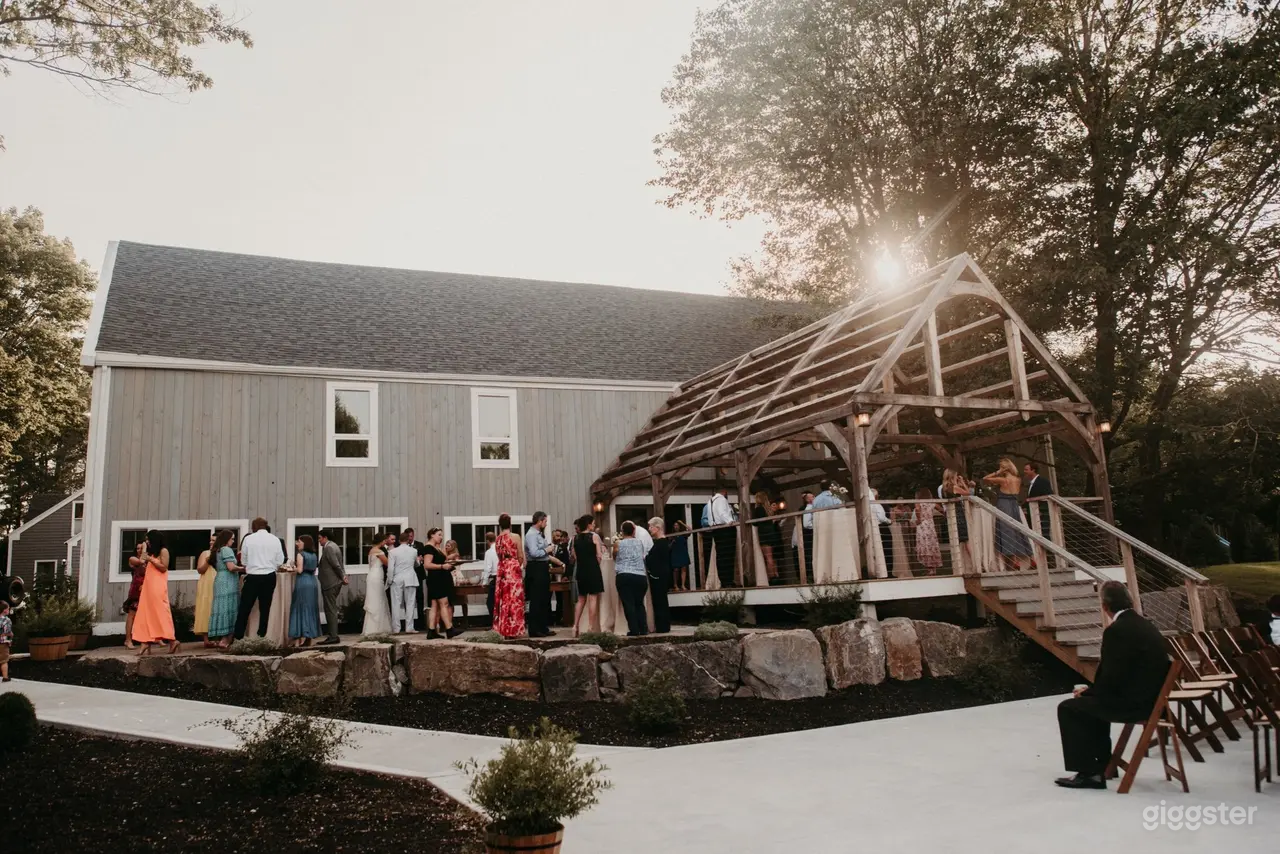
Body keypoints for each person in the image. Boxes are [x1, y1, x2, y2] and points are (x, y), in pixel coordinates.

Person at [1055, 581, 1171, 789]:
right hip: (1152, 701)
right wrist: (1092, 693)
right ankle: (1104, 765)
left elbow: (1111, 677)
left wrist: (1087, 692)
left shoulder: (1117, 631)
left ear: (1105, 606)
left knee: (1069, 708)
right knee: (1093, 704)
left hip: (1136, 705)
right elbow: (1118, 675)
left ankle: (1089, 772)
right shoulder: (1145, 624)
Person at [234, 517, 286, 640]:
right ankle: (261, 636)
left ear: (254, 527)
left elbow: (244, 560)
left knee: (245, 607)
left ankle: (238, 636)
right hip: (269, 575)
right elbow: (280, 560)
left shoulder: (248, 539)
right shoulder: (275, 539)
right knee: (265, 607)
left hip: (253, 576)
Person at [133, 529, 180, 655]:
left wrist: (150, 559)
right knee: (145, 613)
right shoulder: (151, 553)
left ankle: (172, 640)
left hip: (158, 586)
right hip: (149, 586)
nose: (147, 542)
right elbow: (142, 564)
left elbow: (164, 567)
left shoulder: (163, 551)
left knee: (160, 612)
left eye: (148, 539)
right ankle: (144, 642)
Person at [983, 458, 1032, 571]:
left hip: (1004, 504)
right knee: (1017, 530)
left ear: (1004, 468)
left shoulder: (1002, 480)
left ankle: (1013, 560)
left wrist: (998, 472)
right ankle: (1030, 556)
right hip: (1014, 504)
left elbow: (985, 479)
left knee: (1005, 530)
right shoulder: (1018, 479)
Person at [422, 528, 462, 639]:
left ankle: (431, 630)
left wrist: (450, 561)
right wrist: (442, 566)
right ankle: (449, 629)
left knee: (434, 605)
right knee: (443, 603)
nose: (441, 537)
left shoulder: (436, 548)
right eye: (439, 535)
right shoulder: (428, 548)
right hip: (436, 579)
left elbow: (440, 560)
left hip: (439, 577)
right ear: (432, 535)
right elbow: (427, 564)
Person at [613, 521, 650, 636]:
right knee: (639, 603)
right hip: (640, 576)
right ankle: (643, 628)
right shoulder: (640, 543)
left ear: (622, 532)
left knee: (629, 604)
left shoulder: (618, 543)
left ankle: (634, 630)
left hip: (624, 575)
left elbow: (615, 557)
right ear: (634, 531)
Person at [493, 513, 527, 638]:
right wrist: (518, 564)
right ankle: (514, 629)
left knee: (503, 598)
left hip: (502, 567)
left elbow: (498, 555)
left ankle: (503, 628)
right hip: (512, 567)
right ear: (510, 524)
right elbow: (520, 555)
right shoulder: (515, 536)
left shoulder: (497, 539)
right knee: (514, 598)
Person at [570, 515, 605, 635]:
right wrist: (596, 563)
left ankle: (575, 626)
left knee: (581, 599)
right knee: (593, 598)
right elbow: (599, 555)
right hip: (593, 569)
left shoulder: (575, 538)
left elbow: (574, 555)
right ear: (589, 524)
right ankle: (590, 627)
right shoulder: (594, 536)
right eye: (593, 523)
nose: (594, 525)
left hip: (581, 569)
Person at [207, 529, 241, 648]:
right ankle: (226, 639)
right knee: (229, 606)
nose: (233, 541)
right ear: (227, 539)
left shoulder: (217, 550)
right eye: (232, 538)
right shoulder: (226, 549)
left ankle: (221, 638)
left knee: (222, 607)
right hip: (228, 580)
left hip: (219, 578)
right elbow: (231, 567)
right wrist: (245, 568)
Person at [524, 511, 556, 637]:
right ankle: (534, 629)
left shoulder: (539, 534)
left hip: (542, 567)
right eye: (545, 521)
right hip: (535, 567)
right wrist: (547, 550)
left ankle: (543, 627)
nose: (546, 523)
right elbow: (533, 552)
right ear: (540, 521)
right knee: (537, 598)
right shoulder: (531, 534)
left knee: (544, 598)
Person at [287, 535, 322, 646]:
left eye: (299, 541)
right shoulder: (314, 555)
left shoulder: (300, 554)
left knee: (300, 607)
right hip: (312, 581)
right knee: (310, 607)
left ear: (304, 543)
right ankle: (309, 636)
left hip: (303, 582)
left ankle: (300, 634)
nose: (297, 543)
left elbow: (300, 570)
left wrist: (291, 567)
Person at [316, 529, 348, 645]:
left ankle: (333, 635)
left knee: (330, 609)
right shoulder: (334, 546)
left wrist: (343, 576)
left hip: (331, 582)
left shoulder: (329, 548)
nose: (319, 541)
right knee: (331, 608)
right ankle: (332, 634)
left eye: (320, 538)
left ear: (325, 537)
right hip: (333, 581)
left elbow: (336, 564)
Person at [387, 533, 421, 634]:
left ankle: (396, 628)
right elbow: (416, 564)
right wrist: (419, 561)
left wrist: (389, 580)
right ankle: (409, 627)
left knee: (395, 604)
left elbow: (391, 568)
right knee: (410, 603)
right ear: (408, 540)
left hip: (397, 578)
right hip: (410, 577)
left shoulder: (392, 552)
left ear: (399, 540)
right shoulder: (414, 551)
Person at [941, 470, 973, 570]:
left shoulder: (944, 488)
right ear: (952, 476)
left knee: (956, 541)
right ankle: (974, 562)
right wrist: (962, 482)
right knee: (966, 540)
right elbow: (968, 493)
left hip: (951, 515)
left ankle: (958, 565)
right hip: (958, 514)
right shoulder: (953, 487)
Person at [706, 485, 738, 588]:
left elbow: (710, 517)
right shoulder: (721, 500)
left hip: (716, 529)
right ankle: (728, 580)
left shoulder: (709, 502)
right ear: (724, 492)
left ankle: (724, 580)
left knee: (720, 555)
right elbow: (722, 512)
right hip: (725, 529)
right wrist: (730, 521)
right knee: (728, 555)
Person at [363, 530, 393, 635]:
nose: (385, 542)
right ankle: (377, 627)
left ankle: (374, 626)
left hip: (372, 574)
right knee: (378, 598)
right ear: (381, 541)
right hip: (376, 576)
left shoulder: (371, 550)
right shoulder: (379, 552)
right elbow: (388, 563)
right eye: (384, 540)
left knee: (376, 598)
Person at [646, 517, 673, 633]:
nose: (649, 529)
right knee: (660, 600)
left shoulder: (661, 543)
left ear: (657, 528)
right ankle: (662, 625)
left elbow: (655, 560)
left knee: (660, 600)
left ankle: (662, 626)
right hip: (660, 575)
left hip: (659, 576)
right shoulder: (660, 542)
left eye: (651, 527)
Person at [401, 527, 428, 631]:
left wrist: (421, 559)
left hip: (418, 575)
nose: (410, 538)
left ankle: (421, 622)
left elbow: (424, 557)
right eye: (409, 537)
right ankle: (409, 622)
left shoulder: (419, 545)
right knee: (407, 599)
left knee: (420, 598)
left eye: (412, 536)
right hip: (407, 575)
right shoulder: (402, 546)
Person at [750, 490, 780, 584]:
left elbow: (754, 522)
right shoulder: (768, 509)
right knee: (772, 557)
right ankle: (776, 575)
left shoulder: (758, 509)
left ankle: (771, 578)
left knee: (768, 557)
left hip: (764, 534)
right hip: (772, 533)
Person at [911, 488, 943, 575]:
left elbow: (917, 509)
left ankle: (929, 570)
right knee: (931, 545)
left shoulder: (918, 502)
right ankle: (933, 570)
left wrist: (918, 519)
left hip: (922, 524)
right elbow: (942, 510)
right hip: (930, 524)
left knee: (924, 546)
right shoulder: (932, 503)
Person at [122, 542, 147, 649]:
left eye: (142, 548)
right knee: (132, 614)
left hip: (146, 589)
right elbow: (141, 561)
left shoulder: (148, 560)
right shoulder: (133, 559)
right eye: (138, 548)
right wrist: (145, 548)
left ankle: (155, 639)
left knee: (148, 614)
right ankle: (128, 639)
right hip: (136, 590)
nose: (140, 550)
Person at [193, 535, 217, 647]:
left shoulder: (222, 553)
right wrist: (208, 561)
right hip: (206, 582)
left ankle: (217, 637)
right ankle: (206, 639)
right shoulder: (205, 553)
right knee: (205, 607)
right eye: (210, 540)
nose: (211, 542)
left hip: (218, 581)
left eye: (214, 540)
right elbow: (200, 570)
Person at [1024, 462, 1054, 535]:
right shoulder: (1031, 483)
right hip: (1032, 515)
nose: (1024, 471)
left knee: (1044, 536)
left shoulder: (1043, 482)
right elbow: (1031, 498)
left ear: (1033, 470)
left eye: (1026, 469)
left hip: (1041, 516)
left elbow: (1048, 497)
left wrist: (1042, 511)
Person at [870, 488, 894, 574]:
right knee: (887, 549)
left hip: (871, 528)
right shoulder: (877, 504)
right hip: (882, 527)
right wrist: (890, 521)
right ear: (876, 496)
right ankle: (888, 571)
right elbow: (881, 517)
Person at [670, 519, 691, 591]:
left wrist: (682, 523)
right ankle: (675, 585)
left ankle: (683, 585)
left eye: (677, 525)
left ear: (679, 526)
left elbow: (690, 530)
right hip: (675, 553)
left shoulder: (683, 534)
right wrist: (672, 542)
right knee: (676, 569)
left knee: (684, 568)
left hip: (683, 552)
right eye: (675, 526)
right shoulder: (671, 535)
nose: (676, 527)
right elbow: (668, 547)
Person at [482, 531, 499, 621]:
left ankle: (494, 622)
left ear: (487, 541)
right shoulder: (500, 549)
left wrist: (484, 581)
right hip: (503, 577)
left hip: (495, 578)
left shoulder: (489, 552)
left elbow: (488, 568)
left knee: (490, 602)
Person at [0, 600, 13, 682]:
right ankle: (5, 677)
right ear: (4, 610)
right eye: (8, 608)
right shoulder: (6, 620)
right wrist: (11, 635)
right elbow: (7, 632)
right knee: (4, 661)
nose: (9, 610)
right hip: (3, 643)